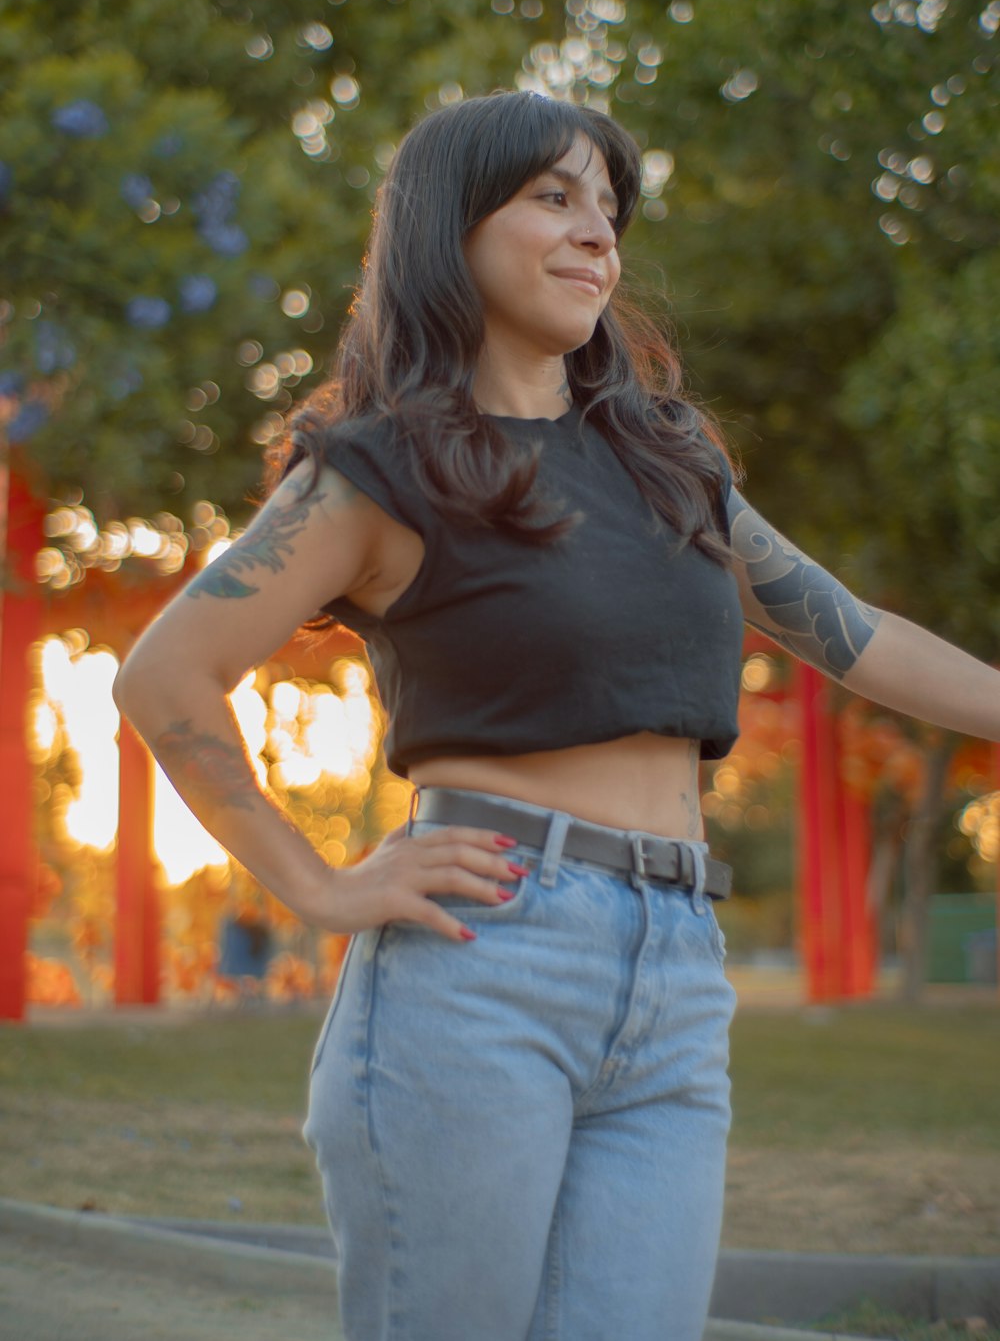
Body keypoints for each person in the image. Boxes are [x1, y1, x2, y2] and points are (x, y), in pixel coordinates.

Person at [113, 90, 1000, 1341]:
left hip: (678, 974)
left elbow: (850, 634)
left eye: (609, 209)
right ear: (447, 226)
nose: (598, 236)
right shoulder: (379, 469)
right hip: (484, 967)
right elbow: (164, 678)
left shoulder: (668, 455)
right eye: (554, 197)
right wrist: (315, 886)